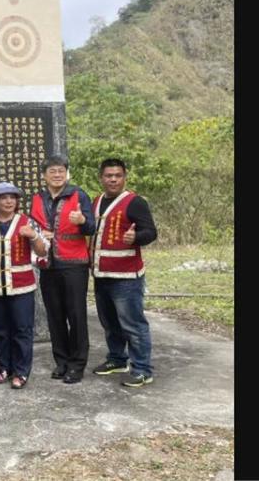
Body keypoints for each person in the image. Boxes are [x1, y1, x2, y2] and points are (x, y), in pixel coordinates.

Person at [89, 158, 158, 387]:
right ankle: (117, 359)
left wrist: (136, 237)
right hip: (102, 275)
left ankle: (142, 369)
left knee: (133, 324)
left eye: (117, 175)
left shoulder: (135, 202)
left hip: (126, 277)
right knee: (110, 323)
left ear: (124, 177)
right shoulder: (97, 201)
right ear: (101, 178)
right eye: (108, 175)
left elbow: (150, 232)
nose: (113, 179)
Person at [30, 155, 96, 384]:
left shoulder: (79, 195)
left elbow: (92, 227)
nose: (57, 175)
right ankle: (62, 361)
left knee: (76, 315)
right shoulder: (38, 198)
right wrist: (39, 235)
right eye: (52, 171)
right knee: (55, 315)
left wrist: (81, 221)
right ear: (44, 175)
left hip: (74, 264)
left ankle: (77, 364)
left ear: (66, 173)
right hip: (48, 265)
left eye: (61, 171)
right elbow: (31, 226)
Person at [0, 182, 48, 390]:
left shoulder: (27, 222)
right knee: (0, 329)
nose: (8, 201)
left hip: (21, 286)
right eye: (3, 198)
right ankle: (4, 367)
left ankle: (21, 370)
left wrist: (33, 236)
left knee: (22, 329)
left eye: (12, 197)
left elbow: (43, 252)